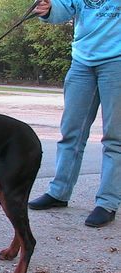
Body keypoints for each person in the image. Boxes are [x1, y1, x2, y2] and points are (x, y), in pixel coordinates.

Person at [29, 0, 121, 228]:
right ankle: (59, 192)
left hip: (117, 62)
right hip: (82, 61)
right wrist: (49, 9)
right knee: (71, 133)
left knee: (115, 138)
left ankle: (107, 202)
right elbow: (64, 8)